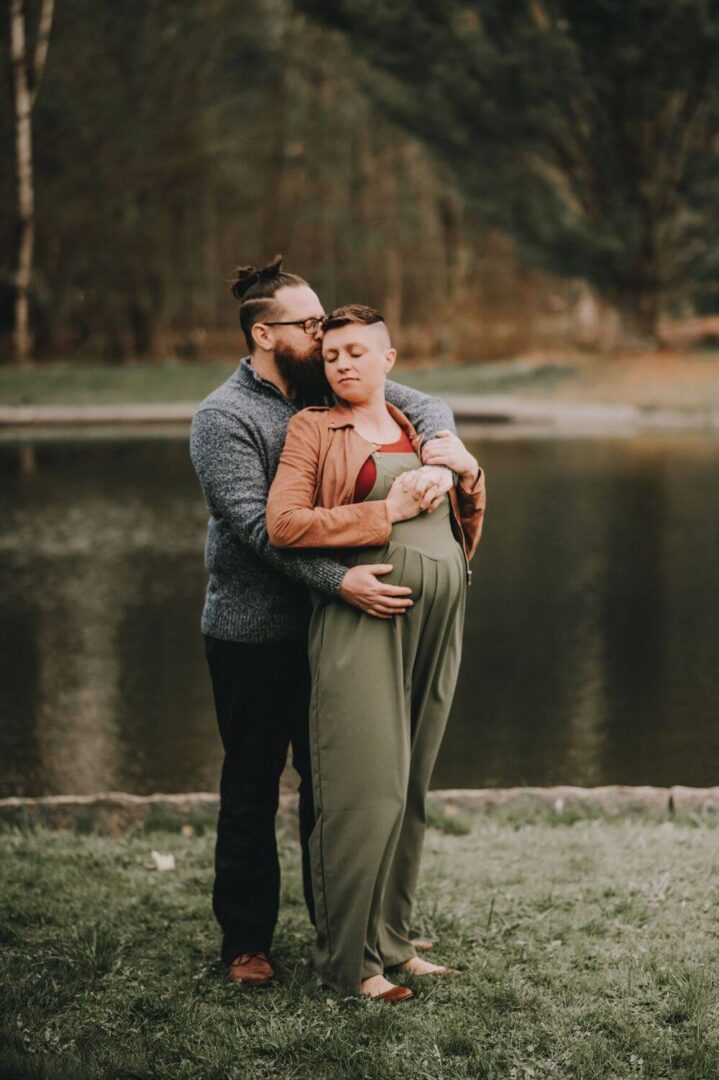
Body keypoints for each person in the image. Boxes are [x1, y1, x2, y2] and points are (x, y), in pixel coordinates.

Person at [189, 257, 467, 986]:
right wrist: (340, 580)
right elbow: (257, 528)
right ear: (263, 333)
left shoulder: (325, 379)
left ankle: (343, 932)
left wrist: (446, 450)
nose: (322, 336)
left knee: (337, 786)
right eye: (308, 325)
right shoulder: (224, 418)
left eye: (324, 324)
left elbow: (419, 401)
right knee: (251, 787)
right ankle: (246, 942)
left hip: (337, 628)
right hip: (254, 629)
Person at [266, 304, 485, 1001]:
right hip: (362, 618)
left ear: (389, 359)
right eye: (331, 357)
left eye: (357, 352)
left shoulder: (419, 427)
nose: (343, 364)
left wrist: (468, 476)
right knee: (366, 787)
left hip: (437, 617)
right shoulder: (311, 428)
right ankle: (350, 962)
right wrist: (383, 513)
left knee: (412, 783)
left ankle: (393, 942)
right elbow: (283, 524)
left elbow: (459, 519)